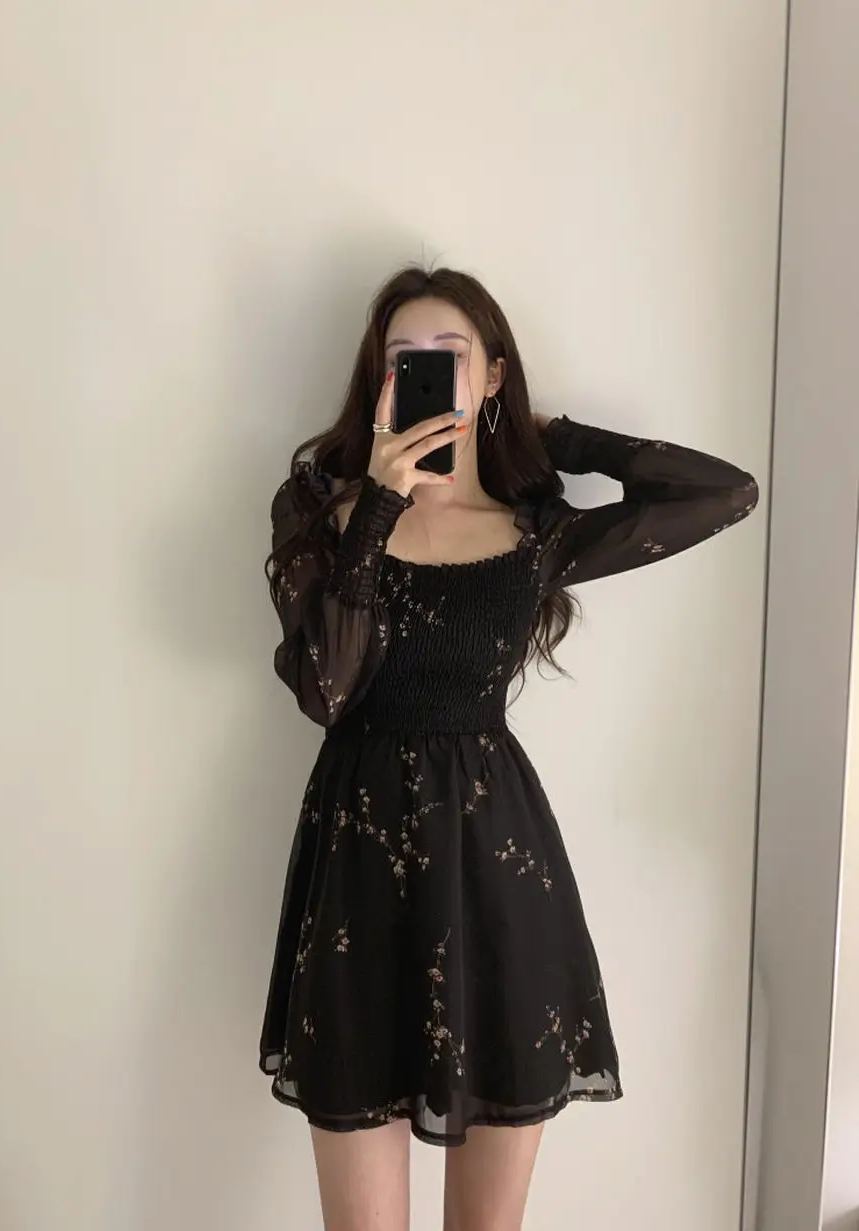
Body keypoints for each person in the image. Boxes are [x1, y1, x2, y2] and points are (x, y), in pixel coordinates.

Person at [259, 265, 759, 1231]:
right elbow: (326, 688)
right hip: (357, 881)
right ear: (378, 378)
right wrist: (379, 504)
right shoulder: (319, 516)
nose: (424, 374)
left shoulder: (534, 537)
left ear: (492, 374)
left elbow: (724, 492)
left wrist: (553, 437)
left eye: (450, 358)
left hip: (499, 877)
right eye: (404, 359)